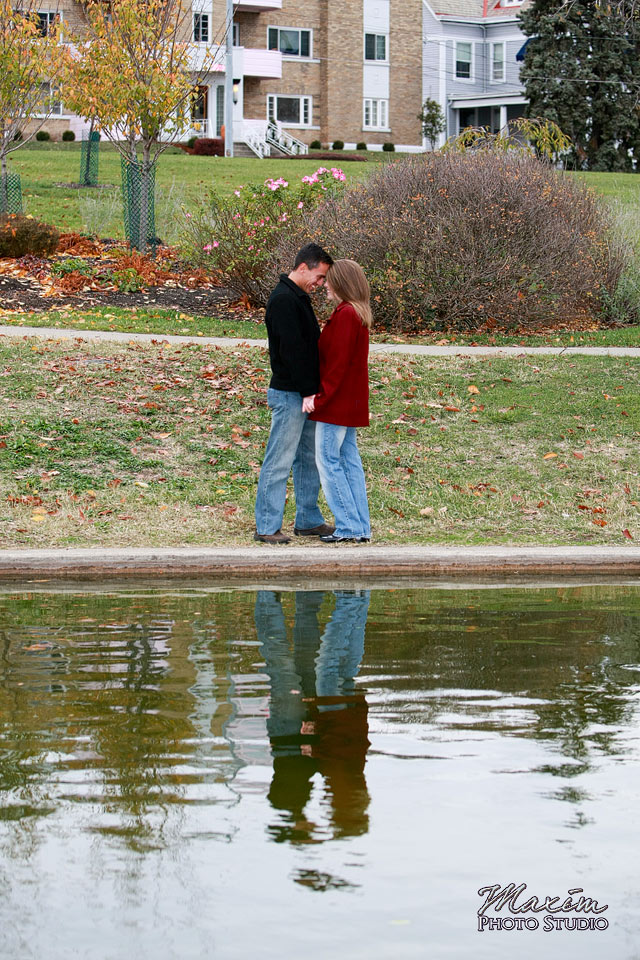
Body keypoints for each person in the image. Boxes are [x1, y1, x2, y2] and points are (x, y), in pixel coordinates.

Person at [254, 243, 336, 544]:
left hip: (304, 393)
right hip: (291, 393)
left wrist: (312, 392)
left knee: (308, 458)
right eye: (319, 277)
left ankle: (308, 519)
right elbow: (292, 352)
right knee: (279, 459)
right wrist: (307, 392)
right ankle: (266, 525)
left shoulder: (296, 297)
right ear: (303, 267)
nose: (320, 284)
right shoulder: (284, 300)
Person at [302, 259, 372, 544]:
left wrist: (320, 398)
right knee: (348, 461)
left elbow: (337, 366)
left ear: (342, 282)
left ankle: (347, 526)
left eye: (329, 280)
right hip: (349, 403)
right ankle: (359, 527)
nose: (325, 285)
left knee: (328, 461)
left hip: (336, 404)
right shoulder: (357, 313)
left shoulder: (345, 315)